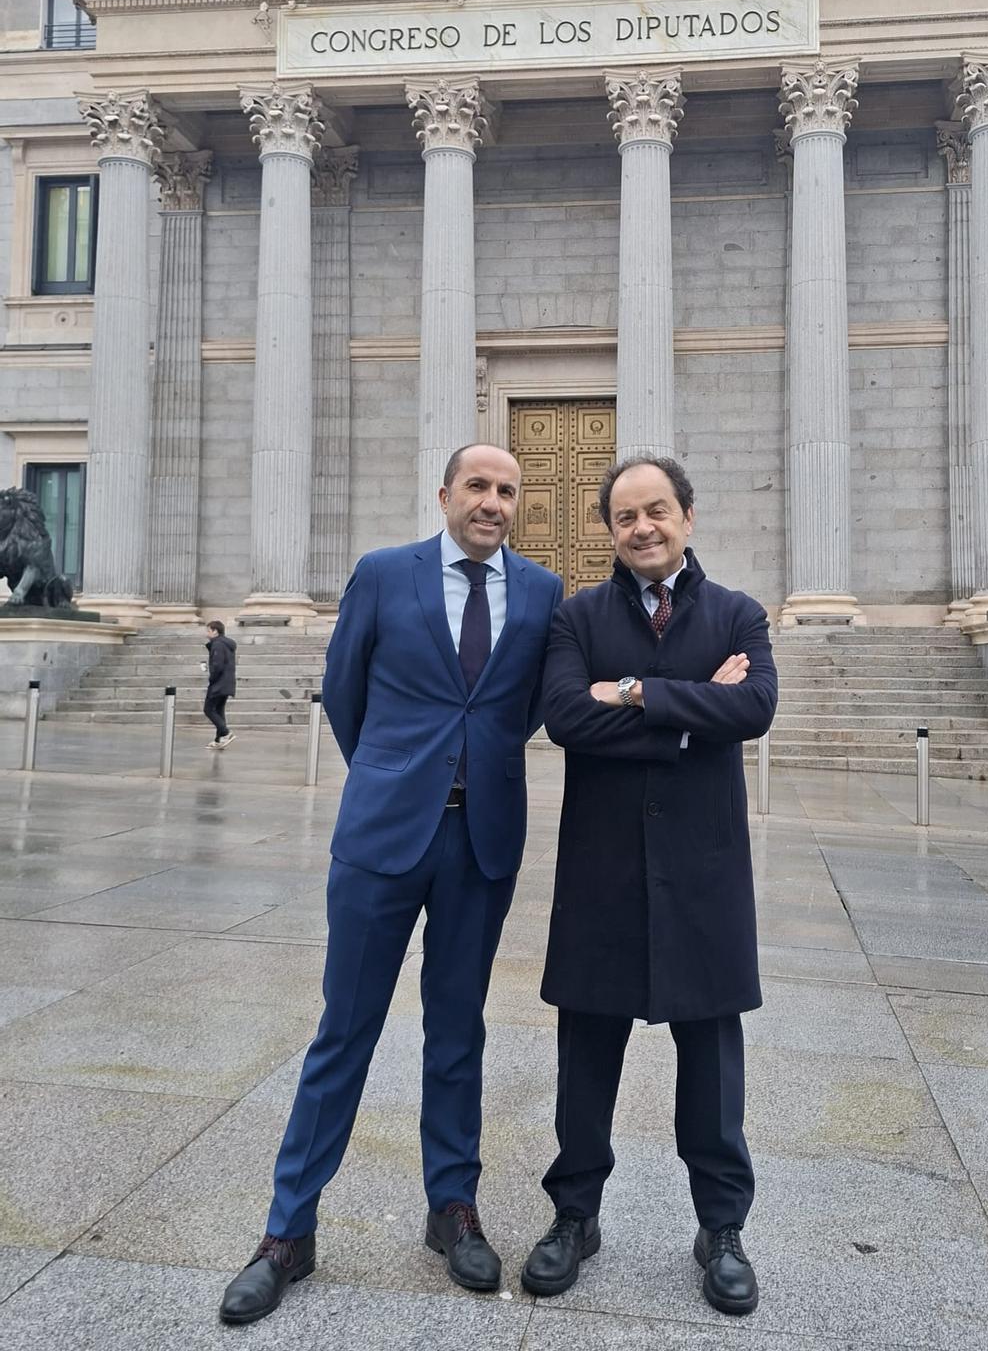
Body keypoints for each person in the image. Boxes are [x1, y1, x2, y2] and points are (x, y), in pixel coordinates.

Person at [219, 444, 562, 1325]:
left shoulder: (541, 592)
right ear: (445, 494)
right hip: (382, 840)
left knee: (459, 1029)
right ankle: (288, 1231)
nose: (492, 502)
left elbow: (520, 710)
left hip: (481, 842)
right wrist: (392, 772)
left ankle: (452, 1208)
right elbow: (345, 693)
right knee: (345, 1030)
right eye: (478, 487)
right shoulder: (382, 574)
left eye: (507, 491)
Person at [521, 455, 777, 1318]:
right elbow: (566, 719)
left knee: (711, 1059)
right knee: (585, 1054)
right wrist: (687, 710)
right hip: (603, 869)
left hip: (703, 873)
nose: (643, 528)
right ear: (611, 531)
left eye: (657, 511)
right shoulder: (576, 617)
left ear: (688, 516)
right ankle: (574, 1215)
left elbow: (755, 710)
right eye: (626, 516)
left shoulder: (738, 614)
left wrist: (631, 694)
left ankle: (722, 1227)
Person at [204, 619, 236, 749]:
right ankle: (219, 740)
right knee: (219, 710)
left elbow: (217, 665)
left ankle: (226, 732)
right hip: (227, 683)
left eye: (209, 630)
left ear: (215, 631)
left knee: (208, 709)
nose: (207, 633)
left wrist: (212, 678)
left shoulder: (217, 644)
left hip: (219, 683)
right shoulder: (227, 644)